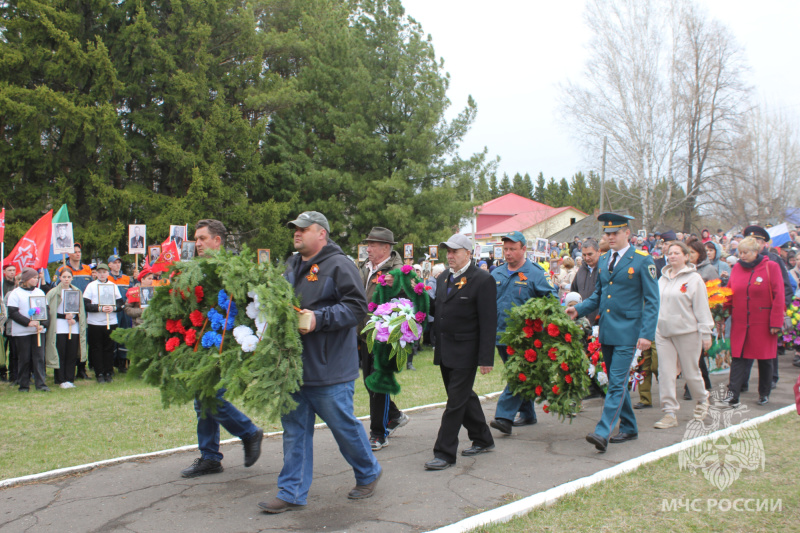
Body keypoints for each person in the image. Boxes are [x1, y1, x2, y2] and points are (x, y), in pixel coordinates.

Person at [259, 211, 380, 513]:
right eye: (294, 229)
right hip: (294, 367)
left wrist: (319, 318)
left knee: (343, 427)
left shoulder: (340, 265)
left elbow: (356, 309)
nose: (297, 233)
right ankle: (291, 492)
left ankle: (368, 471)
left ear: (322, 233)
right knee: (295, 430)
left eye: (304, 229)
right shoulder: (290, 264)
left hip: (330, 367)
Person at [567, 213, 659, 453]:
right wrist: (578, 310)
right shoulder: (605, 258)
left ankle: (602, 431)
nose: (610, 237)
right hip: (607, 330)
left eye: (615, 233)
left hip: (629, 332)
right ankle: (629, 426)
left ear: (627, 233)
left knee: (617, 382)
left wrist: (646, 334)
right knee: (615, 383)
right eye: (607, 233)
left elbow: (652, 301)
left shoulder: (641, 260)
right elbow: (598, 294)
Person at [181, 219, 264, 479]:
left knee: (210, 397)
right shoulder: (198, 268)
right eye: (196, 239)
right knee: (202, 398)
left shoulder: (233, 269)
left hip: (226, 342)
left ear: (217, 241)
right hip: (202, 340)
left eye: (203, 238)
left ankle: (248, 432)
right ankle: (210, 457)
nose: (198, 244)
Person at [424, 234, 496, 471]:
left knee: (455, 402)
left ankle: (444, 453)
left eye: (455, 251)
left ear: (468, 252)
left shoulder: (482, 279)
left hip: (467, 351)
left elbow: (488, 322)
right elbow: (439, 309)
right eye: (448, 251)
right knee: (465, 398)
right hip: (446, 349)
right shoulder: (444, 276)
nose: (450, 256)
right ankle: (483, 438)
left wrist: (486, 358)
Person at [489, 231, 557, 436]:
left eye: (512, 249)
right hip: (500, 334)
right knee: (515, 372)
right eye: (505, 249)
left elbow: (552, 299)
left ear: (523, 249)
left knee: (519, 374)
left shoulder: (536, 273)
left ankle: (504, 416)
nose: (508, 253)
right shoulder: (496, 274)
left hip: (526, 338)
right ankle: (527, 413)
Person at [357, 227, 412, 451]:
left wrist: (398, 284)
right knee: (369, 383)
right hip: (364, 334)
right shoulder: (365, 267)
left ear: (386, 248)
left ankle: (378, 434)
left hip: (385, 336)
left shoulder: (398, 272)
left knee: (377, 382)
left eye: (372, 245)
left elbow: (411, 298)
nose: (367, 248)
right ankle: (395, 416)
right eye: (367, 244)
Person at [653, 241, 714, 428]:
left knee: (691, 371)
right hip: (663, 332)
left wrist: (706, 333)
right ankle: (669, 412)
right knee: (665, 373)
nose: (672, 256)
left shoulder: (694, 279)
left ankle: (702, 400)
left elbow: (702, 308)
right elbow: (654, 304)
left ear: (686, 257)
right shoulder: (662, 279)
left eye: (677, 253)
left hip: (687, 332)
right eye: (670, 253)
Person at [724, 236, 784, 406]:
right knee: (738, 358)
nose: (741, 256)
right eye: (739, 253)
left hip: (763, 323)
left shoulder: (770, 267)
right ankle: (733, 394)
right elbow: (729, 292)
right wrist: (721, 312)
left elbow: (779, 295)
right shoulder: (736, 268)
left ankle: (764, 393)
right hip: (741, 322)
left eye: (745, 253)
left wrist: (776, 322)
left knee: (765, 359)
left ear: (756, 252)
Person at [7, 268, 50, 392]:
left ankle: (41, 384)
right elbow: (13, 312)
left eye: (37, 277)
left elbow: (45, 311)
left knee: (39, 358)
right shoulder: (16, 293)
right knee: (24, 358)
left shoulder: (40, 292)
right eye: (33, 278)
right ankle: (24, 385)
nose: (36, 280)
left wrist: (43, 324)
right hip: (22, 332)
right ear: (26, 279)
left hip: (38, 331)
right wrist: (28, 322)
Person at [45, 269, 88, 389]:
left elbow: (81, 311)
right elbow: (51, 311)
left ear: (72, 278)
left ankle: (69, 378)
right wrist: (64, 316)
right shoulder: (53, 293)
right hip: (59, 326)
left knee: (71, 353)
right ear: (60, 277)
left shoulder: (76, 292)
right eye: (64, 277)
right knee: (61, 352)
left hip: (72, 327)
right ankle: (60, 379)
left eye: (69, 277)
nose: (66, 279)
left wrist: (76, 319)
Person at [83, 264, 123, 383]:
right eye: (99, 272)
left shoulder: (113, 286)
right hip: (95, 323)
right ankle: (99, 373)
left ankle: (108, 372)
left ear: (107, 273)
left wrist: (113, 308)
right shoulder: (91, 286)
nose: (102, 274)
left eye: (104, 272)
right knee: (96, 348)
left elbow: (120, 303)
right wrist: (100, 308)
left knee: (109, 348)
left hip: (110, 322)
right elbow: (86, 304)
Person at [107, 255, 134, 374]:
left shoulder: (127, 279)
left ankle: (123, 362)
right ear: (110, 265)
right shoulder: (107, 278)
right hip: (112, 311)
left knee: (124, 335)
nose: (117, 265)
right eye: (115, 262)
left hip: (125, 312)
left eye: (119, 262)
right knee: (112, 335)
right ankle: (112, 362)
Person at [570, 239, 600, 326]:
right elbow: (574, 292)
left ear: (599, 252)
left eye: (590, 254)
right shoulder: (581, 271)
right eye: (584, 255)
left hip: (599, 321)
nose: (587, 258)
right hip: (582, 322)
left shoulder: (605, 270)